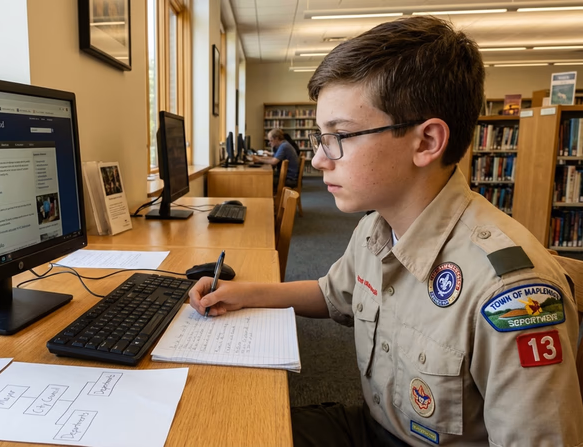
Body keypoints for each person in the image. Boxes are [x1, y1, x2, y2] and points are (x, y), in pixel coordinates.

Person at [189, 16, 583, 446]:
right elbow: (332, 294)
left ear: (426, 142)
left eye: (339, 135)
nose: (320, 160)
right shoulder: (376, 227)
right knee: (217, 429)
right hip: (374, 426)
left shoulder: (511, 294)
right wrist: (242, 293)